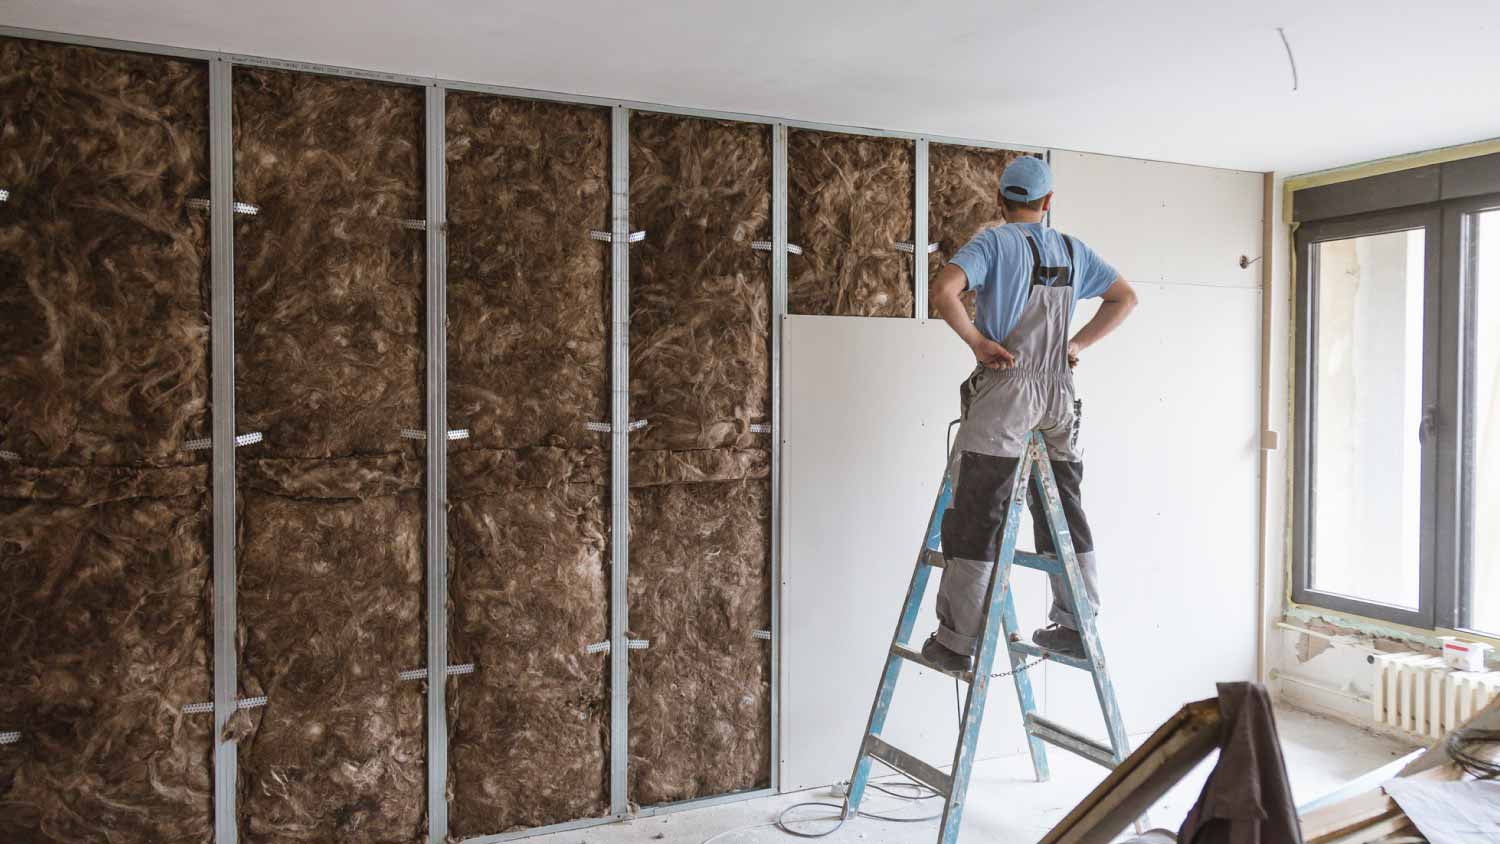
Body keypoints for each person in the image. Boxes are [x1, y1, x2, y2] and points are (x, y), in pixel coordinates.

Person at [923, 156, 1138, 670]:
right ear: (1047, 204)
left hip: (1007, 390)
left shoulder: (993, 243)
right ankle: (1076, 625)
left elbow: (943, 293)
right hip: (1059, 394)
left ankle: (956, 643)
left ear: (1001, 200)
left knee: (979, 514)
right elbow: (1125, 298)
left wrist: (978, 342)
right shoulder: (1071, 248)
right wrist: (1076, 345)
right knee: (1065, 508)